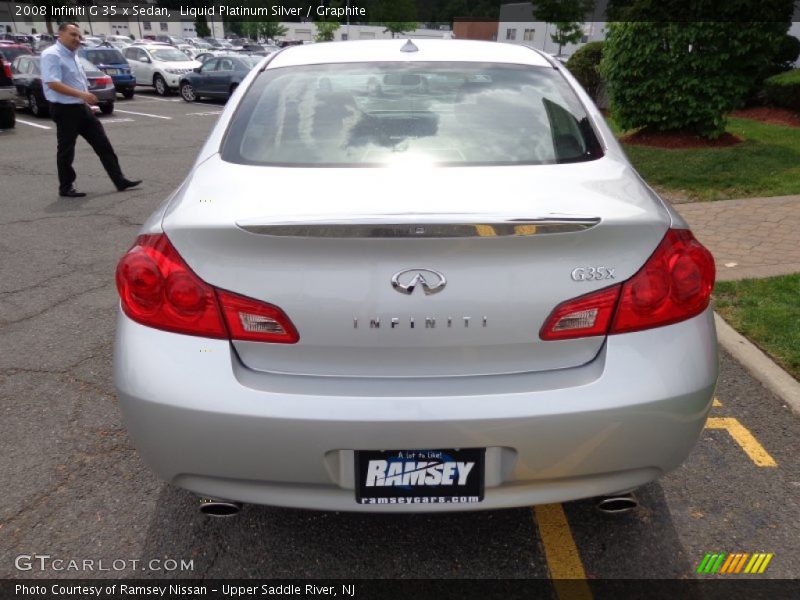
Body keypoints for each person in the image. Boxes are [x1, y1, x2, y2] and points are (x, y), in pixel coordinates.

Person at [40, 22, 141, 198]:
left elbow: (76, 81)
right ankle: (66, 187)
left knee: (103, 144)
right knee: (66, 150)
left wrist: (86, 102)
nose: (77, 39)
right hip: (64, 109)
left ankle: (120, 180)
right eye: (73, 35)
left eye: (79, 36)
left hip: (81, 107)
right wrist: (82, 95)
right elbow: (53, 83)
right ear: (60, 35)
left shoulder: (74, 55)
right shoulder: (51, 55)